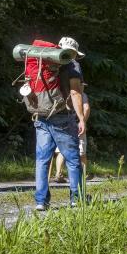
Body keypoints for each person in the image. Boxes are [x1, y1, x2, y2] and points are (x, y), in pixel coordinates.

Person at [30, 36, 87, 211]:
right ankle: (76, 199)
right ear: (73, 53)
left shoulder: (43, 61)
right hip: (62, 116)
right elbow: (76, 93)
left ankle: (41, 201)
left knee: (42, 160)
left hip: (41, 114)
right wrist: (82, 118)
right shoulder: (72, 65)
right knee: (73, 159)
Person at [53, 85, 91, 182]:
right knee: (81, 152)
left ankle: (58, 173)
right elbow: (86, 108)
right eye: (82, 85)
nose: (83, 88)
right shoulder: (82, 95)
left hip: (62, 124)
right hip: (77, 125)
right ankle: (83, 175)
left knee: (62, 150)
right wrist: (82, 121)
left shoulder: (63, 92)